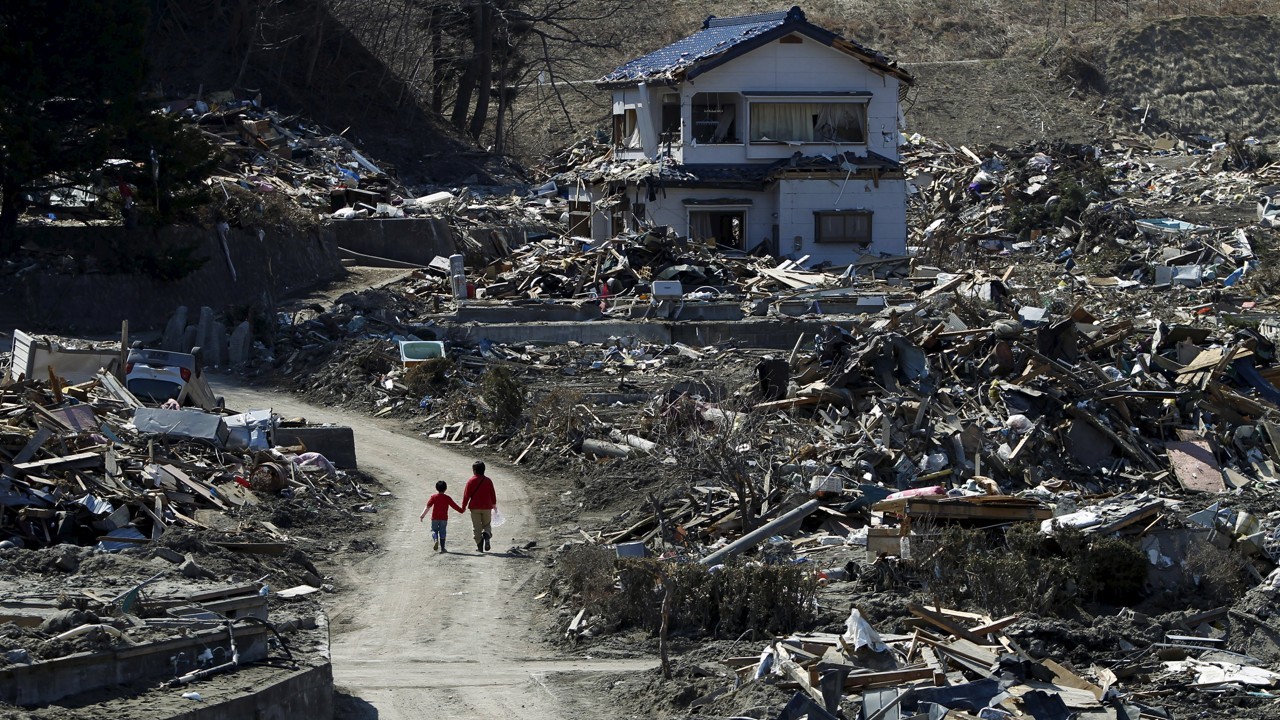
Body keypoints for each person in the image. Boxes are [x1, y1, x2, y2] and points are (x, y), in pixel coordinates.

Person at [460, 460, 497, 553]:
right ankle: (487, 535)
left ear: (474, 470)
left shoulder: (471, 481)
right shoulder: (488, 481)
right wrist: (494, 504)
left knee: (477, 527)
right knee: (487, 524)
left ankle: (480, 547)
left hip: (475, 507)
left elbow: (466, 495)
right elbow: (492, 493)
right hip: (487, 507)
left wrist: (463, 507)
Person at [419, 480, 463, 553]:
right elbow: (454, 505)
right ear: (446, 488)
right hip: (444, 518)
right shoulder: (447, 498)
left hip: (435, 518)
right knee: (443, 532)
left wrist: (422, 515)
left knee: (434, 530)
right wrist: (461, 510)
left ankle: (435, 539)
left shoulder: (434, 497)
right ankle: (443, 548)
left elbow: (428, 507)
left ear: (436, 488)